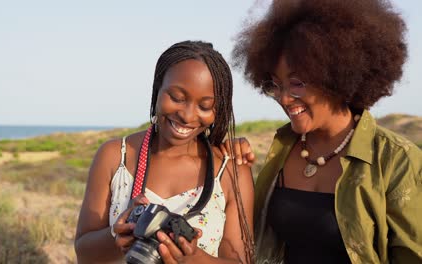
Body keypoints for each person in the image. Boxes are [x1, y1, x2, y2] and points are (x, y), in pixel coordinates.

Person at [230, 0, 422, 263]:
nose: (284, 99)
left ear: (336, 75)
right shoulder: (281, 151)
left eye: (297, 83)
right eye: (275, 85)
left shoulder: (396, 160)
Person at [74, 40, 254, 264]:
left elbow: (241, 260)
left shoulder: (230, 172)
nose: (187, 116)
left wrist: (193, 259)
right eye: (177, 98)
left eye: (205, 106)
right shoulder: (114, 156)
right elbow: (84, 253)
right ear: (157, 88)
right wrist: (118, 234)